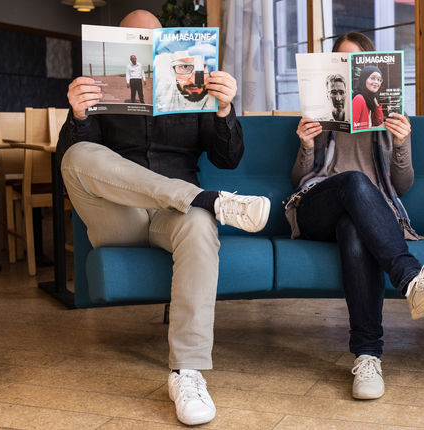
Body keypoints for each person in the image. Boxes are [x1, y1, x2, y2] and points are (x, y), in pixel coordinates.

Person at [57, 10, 270, 426]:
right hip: (120, 215)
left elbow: (228, 158)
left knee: (198, 221)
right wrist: (79, 116)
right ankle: (214, 201)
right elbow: (80, 166)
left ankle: (187, 373)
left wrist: (225, 109)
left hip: (176, 215)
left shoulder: (193, 91)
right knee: (77, 155)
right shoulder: (104, 91)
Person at [288, 31, 424, 401]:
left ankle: (368, 355)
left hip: (364, 219)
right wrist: (306, 144)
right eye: (340, 63)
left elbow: (402, 185)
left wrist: (401, 143)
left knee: (354, 227)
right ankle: (409, 276)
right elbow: (299, 180)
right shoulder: (317, 115)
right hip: (316, 208)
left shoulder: (387, 116)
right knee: (355, 182)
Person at [351, 64, 384, 131]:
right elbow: (352, 129)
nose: (376, 82)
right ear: (364, 79)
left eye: (379, 80)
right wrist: (378, 128)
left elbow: (378, 122)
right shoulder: (359, 99)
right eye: (372, 78)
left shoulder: (370, 99)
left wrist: (377, 106)